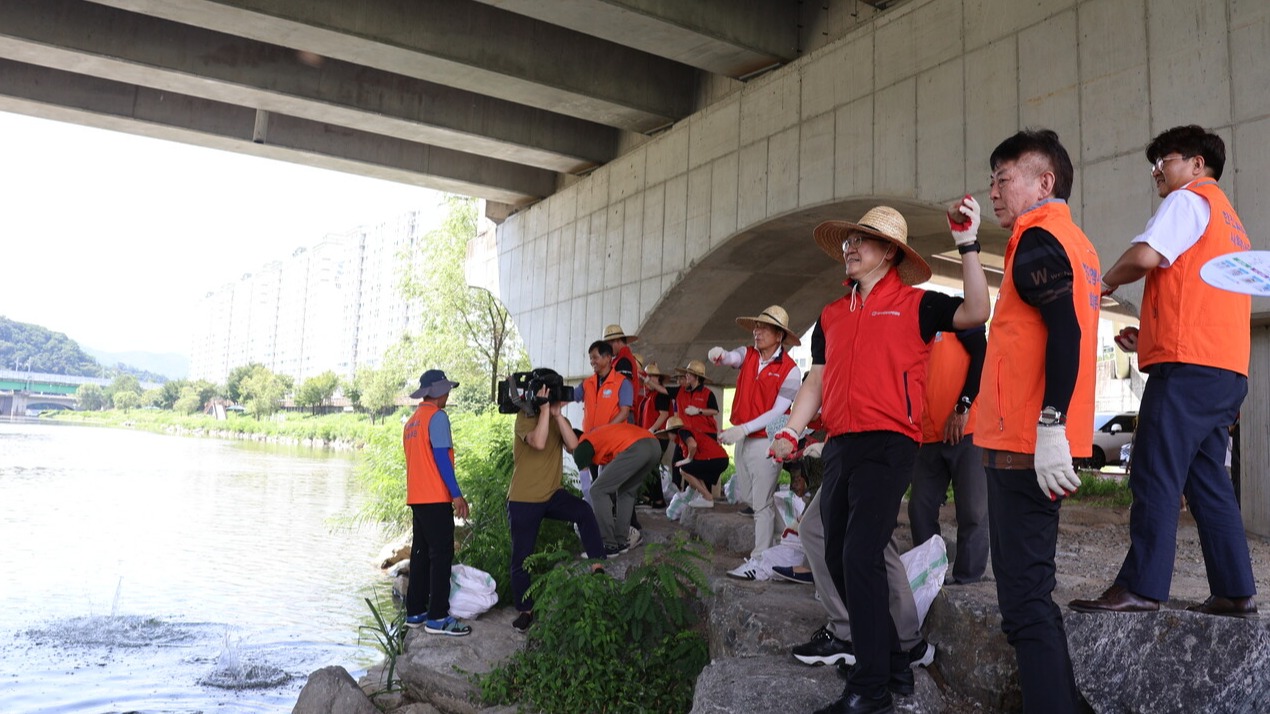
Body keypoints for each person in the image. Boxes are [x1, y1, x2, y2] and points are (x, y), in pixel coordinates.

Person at [769, 203, 988, 714]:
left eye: (862, 241)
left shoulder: (918, 304)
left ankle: (870, 689)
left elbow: (977, 311)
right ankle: (891, 660)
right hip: (843, 442)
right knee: (837, 553)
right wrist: (791, 431)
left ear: (889, 253)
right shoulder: (830, 315)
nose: (850, 248)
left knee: (860, 554)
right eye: (848, 241)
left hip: (891, 443)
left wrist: (969, 244)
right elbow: (816, 382)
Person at [1071, 125, 1257, 619]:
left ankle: (1141, 587)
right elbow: (1199, 301)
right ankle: (1236, 591)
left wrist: (1100, 284)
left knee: (1153, 471)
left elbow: (1147, 255)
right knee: (1207, 480)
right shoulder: (1230, 220)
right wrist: (1147, 341)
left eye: (1166, 160)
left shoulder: (1189, 199)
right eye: (1154, 163)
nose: (1158, 170)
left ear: (1198, 164)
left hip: (1189, 370)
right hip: (1224, 371)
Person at [966, 129, 1100, 713]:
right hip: (1030, 442)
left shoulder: (1040, 240)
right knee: (1033, 596)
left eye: (1005, 177)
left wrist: (1049, 427)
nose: (993, 189)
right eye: (991, 178)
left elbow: (1065, 335)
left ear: (1045, 182)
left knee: (1023, 605)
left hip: (1025, 445)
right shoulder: (1072, 242)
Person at [507, 368, 608, 633]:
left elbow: (575, 446)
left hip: (552, 495)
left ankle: (597, 566)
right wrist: (542, 411)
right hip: (523, 499)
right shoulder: (524, 417)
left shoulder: (553, 418)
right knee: (521, 557)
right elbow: (538, 443)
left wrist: (557, 415)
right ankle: (525, 610)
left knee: (584, 512)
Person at [707, 305, 802, 566]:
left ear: (779, 336)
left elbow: (777, 412)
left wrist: (743, 429)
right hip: (745, 439)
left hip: (768, 442)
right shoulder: (748, 355)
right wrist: (721, 355)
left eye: (764, 329)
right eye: (756, 327)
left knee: (760, 505)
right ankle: (794, 533)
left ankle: (761, 558)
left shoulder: (791, 370)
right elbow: (731, 357)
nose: (757, 332)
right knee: (748, 496)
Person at [907, 327, 989, 584]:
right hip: (928, 435)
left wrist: (963, 406)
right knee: (919, 507)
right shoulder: (910, 328)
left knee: (973, 511)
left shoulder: (957, 319)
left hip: (968, 429)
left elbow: (982, 353)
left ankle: (968, 578)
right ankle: (930, 575)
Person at [402, 369, 472, 636]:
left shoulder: (411, 423)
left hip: (417, 499)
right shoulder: (438, 417)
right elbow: (442, 459)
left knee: (420, 555)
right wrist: (456, 495)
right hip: (435, 498)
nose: (448, 393)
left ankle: (415, 612)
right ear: (436, 391)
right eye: (445, 389)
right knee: (441, 556)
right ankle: (438, 618)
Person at [565, 421, 663, 556]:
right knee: (626, 491)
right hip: (654, 446)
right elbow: (606, 478)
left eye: (566, 448)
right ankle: (621, 541)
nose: (568, 451)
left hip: (637, 447)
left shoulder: (581, 447)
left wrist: (588, 512)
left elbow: (588, 489)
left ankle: (608, 545)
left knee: (597, 490)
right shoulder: (597, 440)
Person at [658, 416, 727, 508]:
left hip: (715, 459)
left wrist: (688, 459)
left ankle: (707, 497)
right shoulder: (684, 438)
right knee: (692, 470)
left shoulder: (683, 432)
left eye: (668, 434)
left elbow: (693, 445)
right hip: (721, 459)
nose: (669, 438)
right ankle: (705, 497)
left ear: (672, 432)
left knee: (683, 470)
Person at [604, 324, 645, 422]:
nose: (607, 350)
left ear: (617, 341)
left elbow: (621, 389)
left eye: (609, 345)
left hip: (622, 413)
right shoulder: (622, 359)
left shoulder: (623, 361)